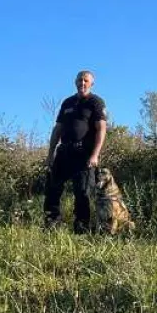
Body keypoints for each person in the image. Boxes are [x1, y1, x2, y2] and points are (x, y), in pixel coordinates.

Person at [44, 70, 107, 233]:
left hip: (84, 155)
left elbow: (101, 129)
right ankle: (51, 225)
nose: (82, 83)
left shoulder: (95, 102)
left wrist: (95, 155)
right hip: (64, 152)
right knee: (52, 189)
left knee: (83, 193)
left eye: (86, 81)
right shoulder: (67, 103)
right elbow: (57, 129)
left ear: (91, 83)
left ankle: (82, 228)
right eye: (80, 80)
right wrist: (50, 154)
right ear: (75, 82)